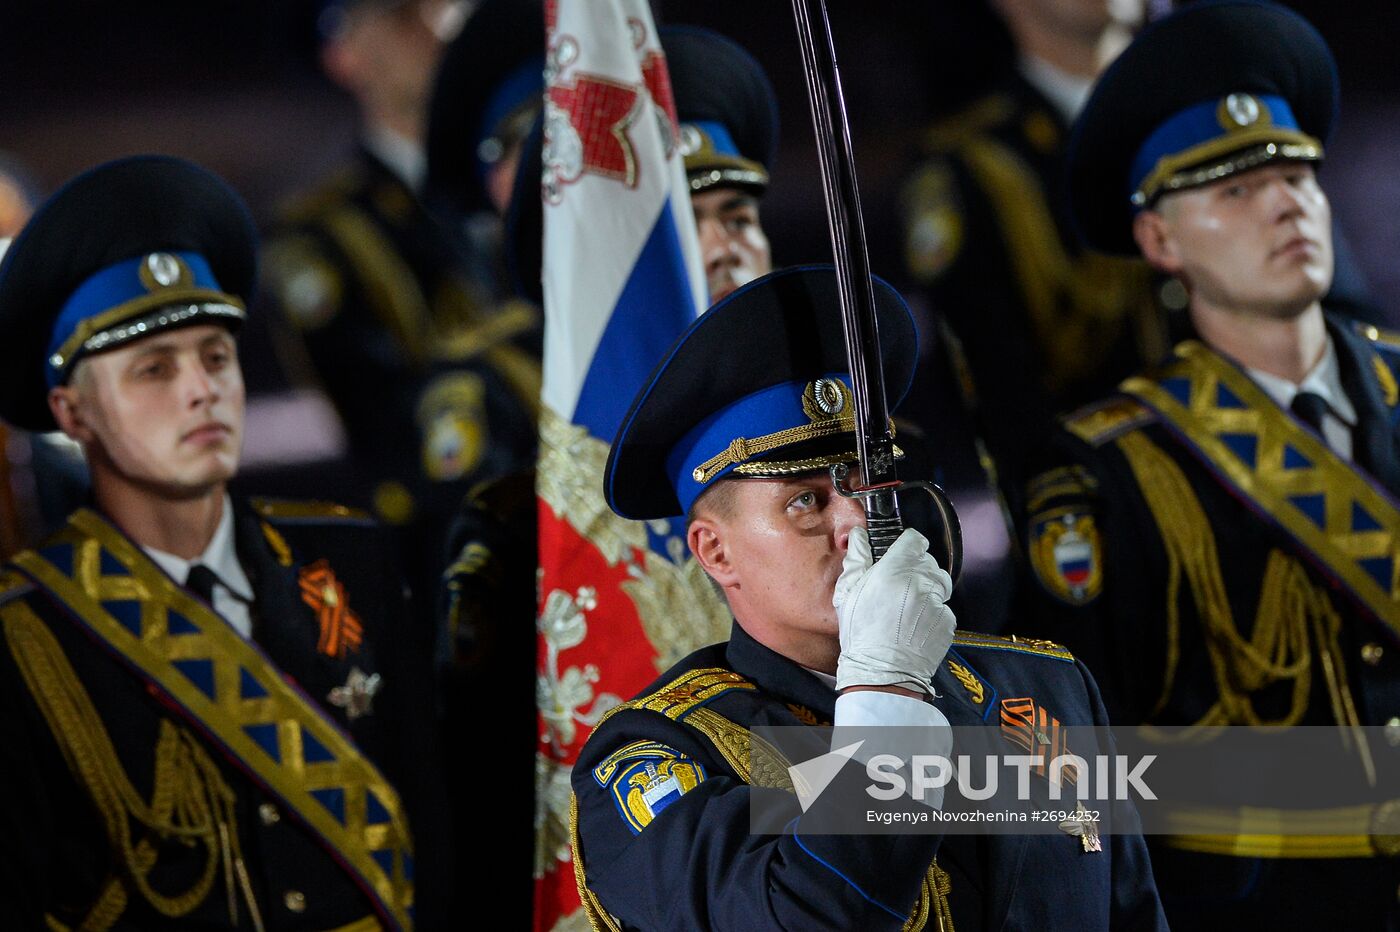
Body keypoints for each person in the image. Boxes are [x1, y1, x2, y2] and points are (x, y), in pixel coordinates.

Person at [570, 265, 1168, 929]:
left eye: (867, 486)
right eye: (807, 501)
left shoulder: (1046, 685)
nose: (855, 521)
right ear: (716, 551)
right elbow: (807, 917)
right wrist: (883, 695)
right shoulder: (665, 756)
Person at [1019, 2, 1400, 926]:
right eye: (1233, 189)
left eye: (1294, 172)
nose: (1283, 202)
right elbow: (1075, 768)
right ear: (1160, 242)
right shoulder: (1108, 472)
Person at [0, 156, 445, 930]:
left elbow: (434, 837)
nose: (201, 388)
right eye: (153, 369)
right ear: (72, 414)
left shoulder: (348, 560)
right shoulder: (25, 636)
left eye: (216, 355)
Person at [260, 0, 541, 626]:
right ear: (343, 53)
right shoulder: (320, 236)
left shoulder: (534, 166)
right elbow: (392, 421)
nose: (437, 24)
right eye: (402, 13)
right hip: (455, 552)